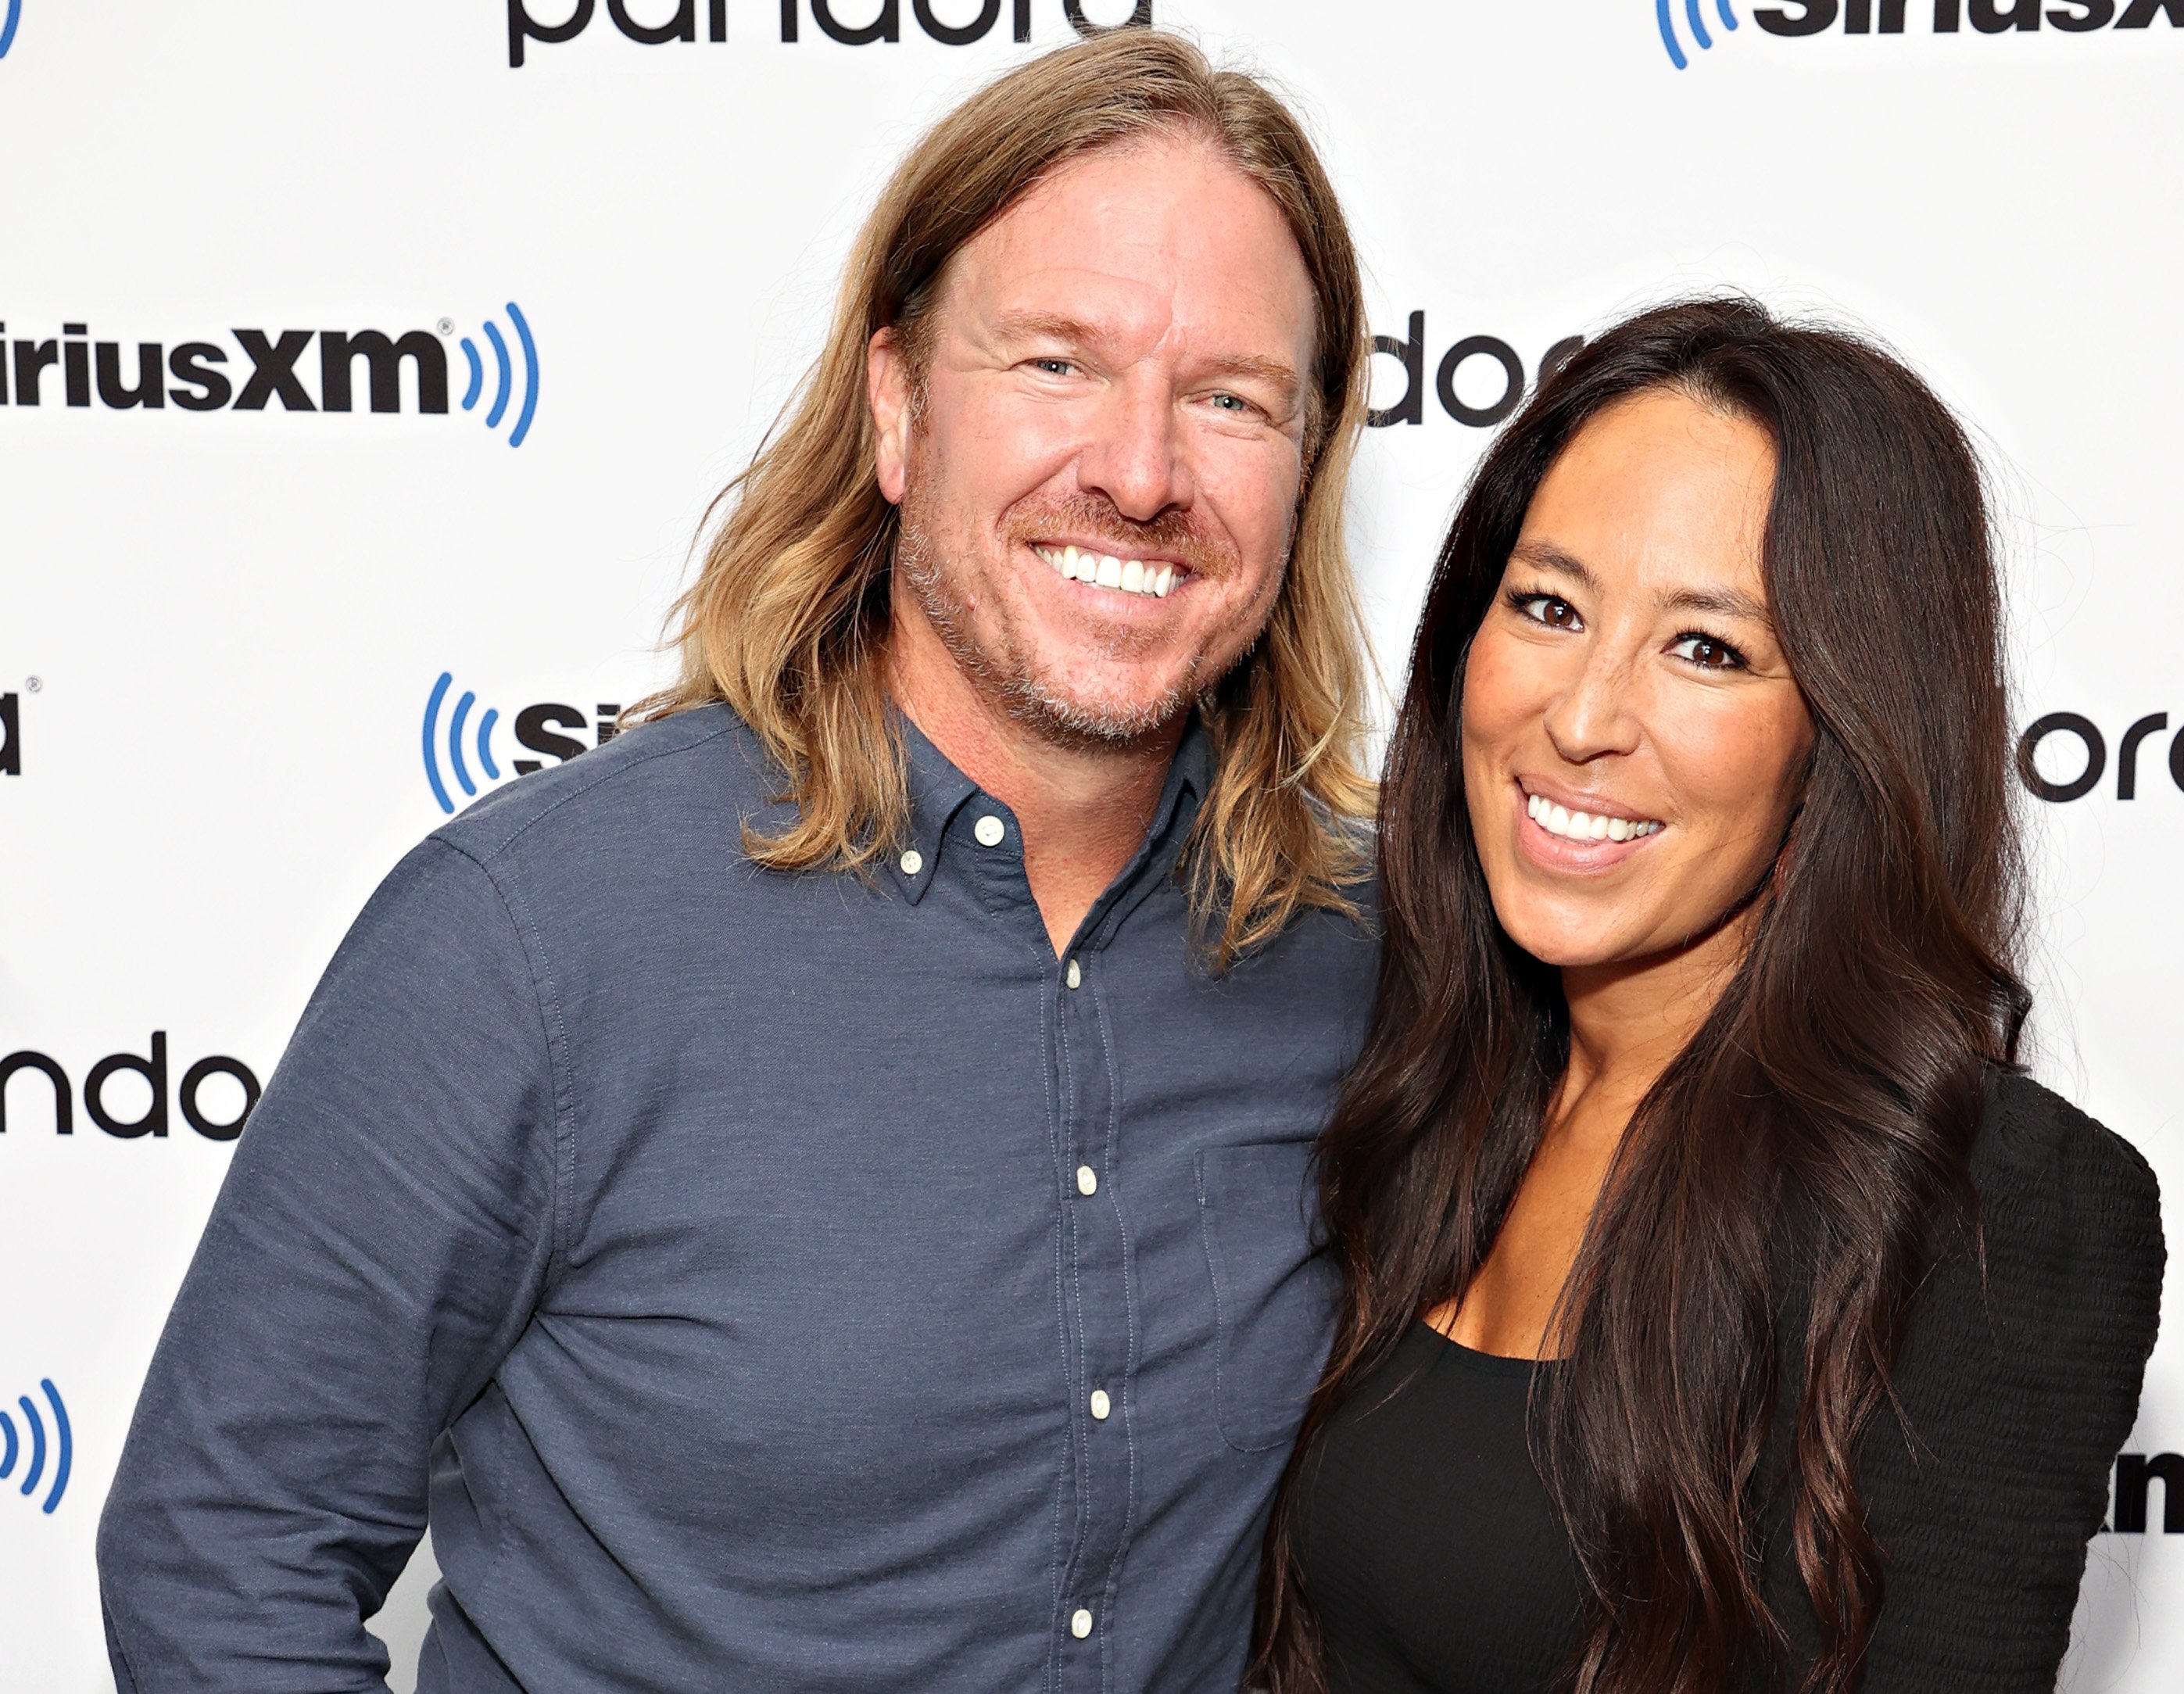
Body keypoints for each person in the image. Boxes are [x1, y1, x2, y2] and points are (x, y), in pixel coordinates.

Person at [98, 31, 1380, 1692]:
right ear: (901, 408)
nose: (1140, 472)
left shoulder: (1364, 958)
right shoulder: (534, 938)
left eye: (1228, 399)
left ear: (1306, 463)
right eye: (1058, 364)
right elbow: (222, 1545)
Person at [1253, 299, 2166, 1694]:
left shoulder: (1989, 1207)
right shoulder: (1419, 1072)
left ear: (1843, 740)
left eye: (1709, 650)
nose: (1582, 716)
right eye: (1549, 607)